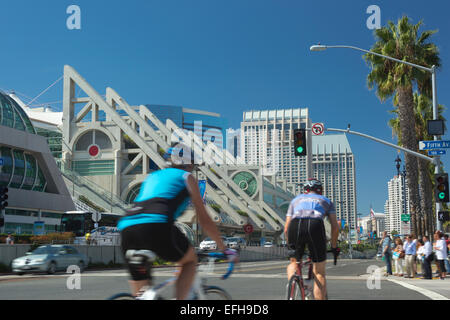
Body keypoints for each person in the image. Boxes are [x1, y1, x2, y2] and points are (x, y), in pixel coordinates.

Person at [117, 143, 238, 299]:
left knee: (142, 293)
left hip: (127, 226)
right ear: (188, 164)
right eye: (193, 166)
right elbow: (204, 219)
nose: (193, 169)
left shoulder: (153, 176)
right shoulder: (186, 177)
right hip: (157, 224)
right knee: (189, 261)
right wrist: (224, 249)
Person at [284, 178, 339, 300]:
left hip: (295, 224)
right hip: (315, 224)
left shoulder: (295, 200)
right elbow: (335, 227)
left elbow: (286, 229)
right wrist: (334, 246)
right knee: (319, 272)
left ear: (305, 191)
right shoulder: (326, 200)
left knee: (294, 262)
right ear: (320, 191)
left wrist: (291, 248)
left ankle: (293, 287)